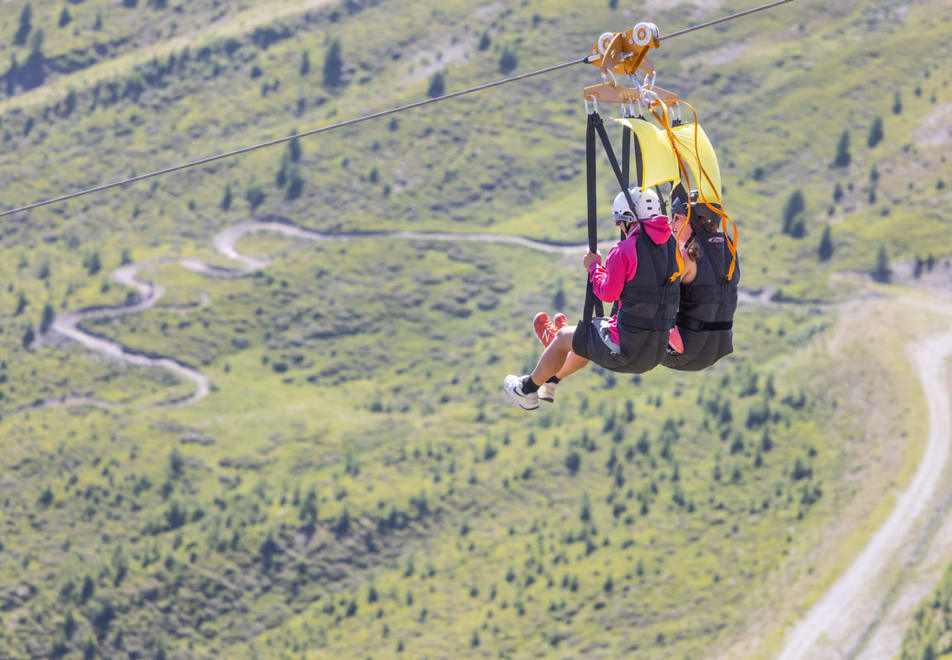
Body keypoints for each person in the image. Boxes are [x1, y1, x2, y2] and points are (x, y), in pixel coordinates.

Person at [504, 186, 681, 410]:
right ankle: (550, 381)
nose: (620, 227)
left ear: (628, 218)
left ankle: (527, 390)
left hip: (626, 350)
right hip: (655, 350)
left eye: (620, 222)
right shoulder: (672, 247)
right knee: (584, 337)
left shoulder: (624, 250)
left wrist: (594, 267)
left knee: (563, 340)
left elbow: (607, 293)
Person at [661, 191, 739, 371]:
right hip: (719, 346)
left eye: (677, 218)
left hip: (686, 351)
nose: (672, 224)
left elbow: (657, 290)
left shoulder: (689, 255)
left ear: (694, 222)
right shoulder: (729, 248)